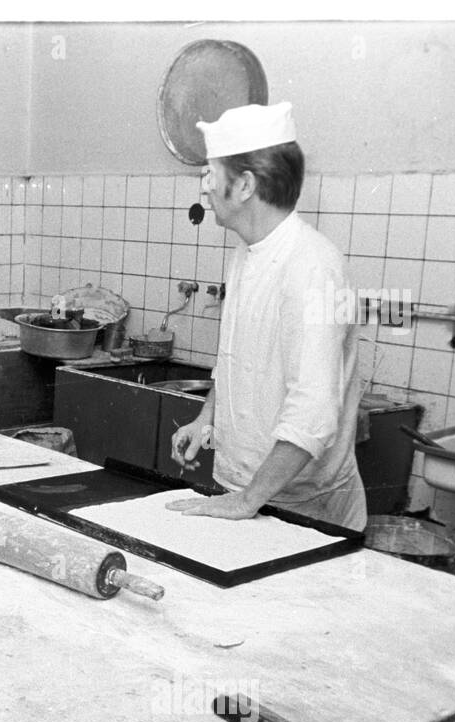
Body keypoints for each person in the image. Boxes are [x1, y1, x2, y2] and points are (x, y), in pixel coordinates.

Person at [169, 102, 368, 531]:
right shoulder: (246, 251)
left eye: (211, 174)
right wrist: (207, 419)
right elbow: (236, 360)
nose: (205, 188)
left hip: (303, 505)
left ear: (244, 185)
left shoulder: (313, 267)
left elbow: (313, 414)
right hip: (245, 492)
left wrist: (248, 500)